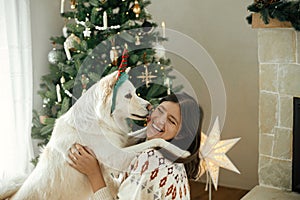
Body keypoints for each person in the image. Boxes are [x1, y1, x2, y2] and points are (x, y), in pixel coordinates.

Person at [68, 92, 203, 200]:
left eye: (171, 121)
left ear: (181, 134)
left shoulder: (153, 161)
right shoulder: (172, 159)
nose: (160, 120)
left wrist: (93, 173)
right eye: (160, 111)